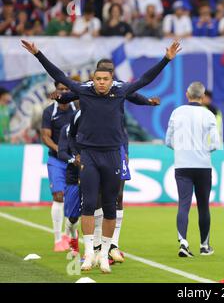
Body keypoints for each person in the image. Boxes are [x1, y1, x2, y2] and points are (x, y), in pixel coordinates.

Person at [22, 38, 181, 273]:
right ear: (92, 80)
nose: (102, 83)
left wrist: (166, 59)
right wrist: (38, 54)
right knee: (88, 206)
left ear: (111, 80)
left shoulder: (120, 90)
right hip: (89, 156)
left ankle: (105, 254)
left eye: (106, 79)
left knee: (109, 206)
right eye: (98, 79)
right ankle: (89, 255)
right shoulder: (83, 90)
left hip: (113, 156)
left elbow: (145, 79)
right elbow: (59, 74)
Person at [165, 82, 220, 258]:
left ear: (187, 94)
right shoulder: (209, 114)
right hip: (203, 166)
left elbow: (168, 141)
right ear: (203, 97)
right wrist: (203, 150)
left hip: (182, 165)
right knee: (203, 206)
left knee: (183, 204)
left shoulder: (177, 112)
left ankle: (183, 243)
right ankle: (204, 246)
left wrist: (182, 150)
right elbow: (216, 144)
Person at [41, 82, 77, 252]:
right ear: (56, 91)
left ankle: (69, 236)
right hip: (56, 160)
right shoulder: (49, 111)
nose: (63, 92)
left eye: (66, 89)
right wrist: (61, 150)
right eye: (60, 89)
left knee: (73, 200)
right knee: (58, 196)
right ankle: (57, 240)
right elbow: (45, 136)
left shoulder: (76, 109)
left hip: (75, 161)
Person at [57, 118, 81, 255]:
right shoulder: (67, 128)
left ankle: (96, 251)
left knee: (97, 213)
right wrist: (73, 160)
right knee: (73, 217)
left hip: (93, 174)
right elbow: (61, 152)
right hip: (74, 177)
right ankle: (73, 237)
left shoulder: (97, 123)